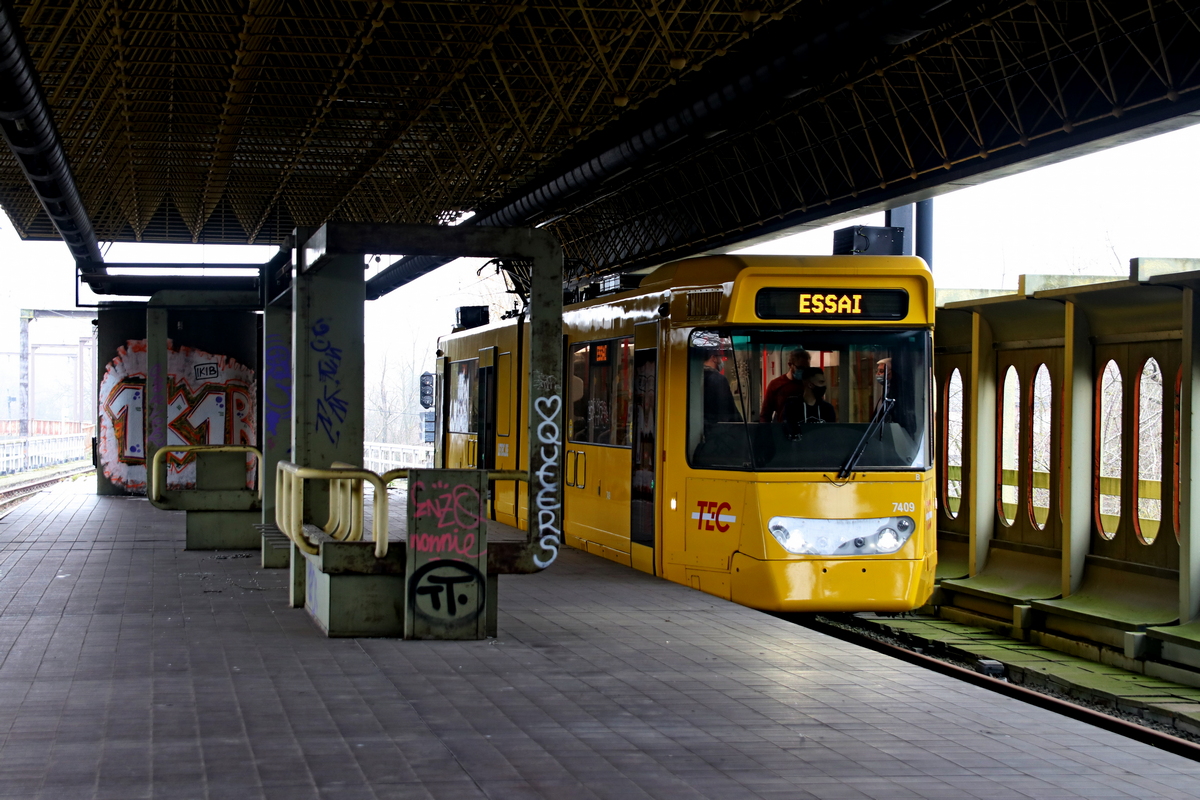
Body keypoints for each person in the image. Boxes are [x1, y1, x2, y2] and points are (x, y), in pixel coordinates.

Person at [760, 348, 810, 422]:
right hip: (783, 429)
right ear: (790, 365)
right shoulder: (776, 385)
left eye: (806, 368)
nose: (803, 371)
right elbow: (765, 414)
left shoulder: (809, 384)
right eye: (800, 367)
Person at [702, 349, 742, 425]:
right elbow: (726, 410)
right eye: (720, 358)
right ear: (714, 358)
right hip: (716, 429)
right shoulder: (718, 379)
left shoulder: (694, 378)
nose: (721, 361)